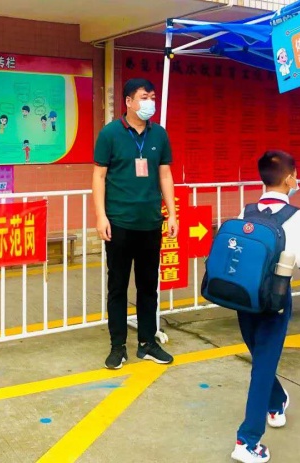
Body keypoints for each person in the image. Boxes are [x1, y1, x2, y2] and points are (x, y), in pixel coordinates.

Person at [230, 150, 300, 463]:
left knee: (261, 359)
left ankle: (276, 403)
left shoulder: (247, 211)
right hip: (275, 301)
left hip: (243, 299)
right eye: (296, 175)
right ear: (289, 179)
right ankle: (247, 441)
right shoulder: (296, 217)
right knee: (263, 364)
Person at [93, 78, 177, 370]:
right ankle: (118, 346)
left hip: (150, 223)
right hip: (119, 223)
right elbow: (99, 177)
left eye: (152, 97)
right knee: (117, 287)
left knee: (148, 287)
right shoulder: (110, 134)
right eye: (144, 97)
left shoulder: (159, 134)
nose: (149, 102)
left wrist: (172, 213)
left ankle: (147, 342)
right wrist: (101, 216)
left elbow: (165, 175)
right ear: (128, 101)